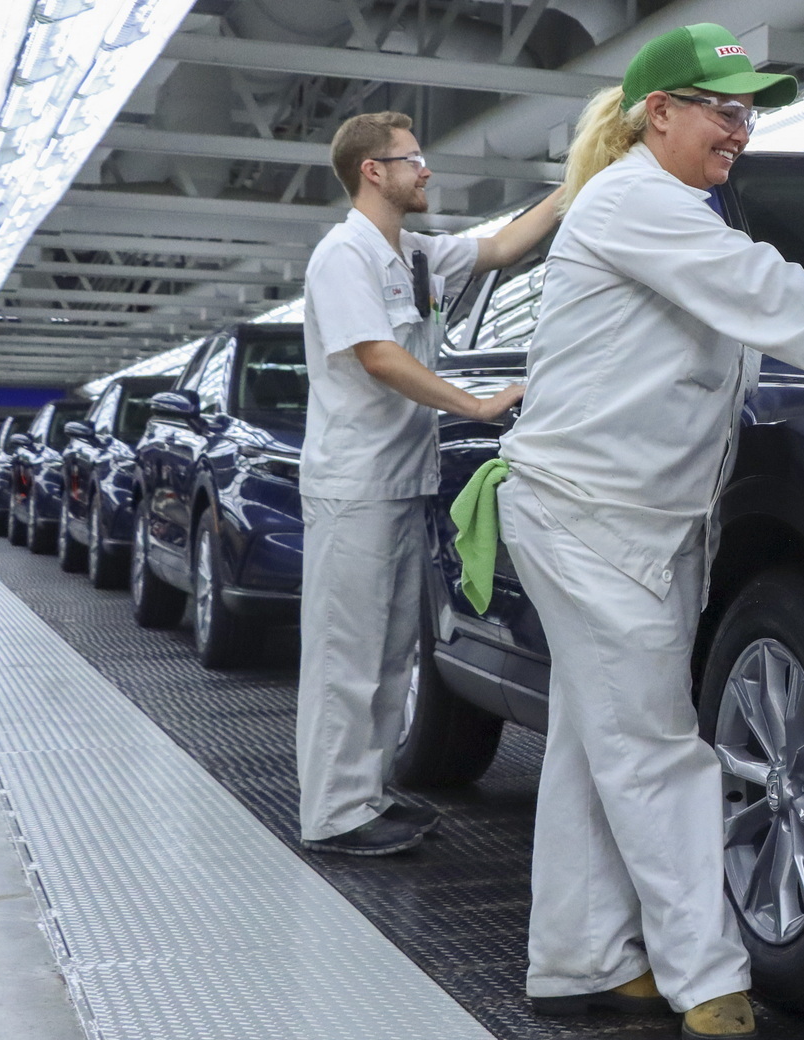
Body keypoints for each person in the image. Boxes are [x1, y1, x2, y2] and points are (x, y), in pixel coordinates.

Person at [454, 24, 804, 1040]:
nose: (739, 128)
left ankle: (579, 958)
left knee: (596, 742)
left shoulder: (674, 210)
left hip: (642, 520)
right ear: (658, 114)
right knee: (659, 749)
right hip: (589, 516)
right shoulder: (634, 201)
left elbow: (743, 332)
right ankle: (707, 981)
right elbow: (767, 291)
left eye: (748, 112)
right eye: (721, 109)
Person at [297, 111, 561, 856]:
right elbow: (379, 356)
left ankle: (368, 795)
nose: (426, 171)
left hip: (401, 480)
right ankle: (333, 815)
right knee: (346, 656)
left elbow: (503, 246)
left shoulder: (414, 253)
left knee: (389, 654)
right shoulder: (343, 255)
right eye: (412, 159)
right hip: (354, 485)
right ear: (372, 171)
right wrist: (475, 405)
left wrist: (577, 185)